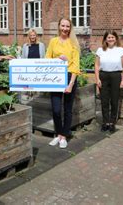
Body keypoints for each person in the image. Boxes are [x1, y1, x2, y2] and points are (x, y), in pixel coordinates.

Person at [45, 17, 80, 149]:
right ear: (59, 26)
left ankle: (64, 136)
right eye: (63, 26)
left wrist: (70, 84)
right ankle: (58, 133)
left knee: (67, 109)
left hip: (69, 77)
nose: (65, 29)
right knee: (56, 109)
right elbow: (47, 58)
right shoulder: (53, 41)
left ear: (70, 28)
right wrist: (57, 59)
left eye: (67, 26)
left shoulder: (74, 43)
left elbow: (76, 66)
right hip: (55, 76)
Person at [94, 30, 123, 133]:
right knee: (104, 101)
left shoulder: (121, 50)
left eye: (113, 37)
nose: (111, 39)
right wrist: (97, 78)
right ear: (105, 39)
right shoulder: (100, 50)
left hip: (116, 76)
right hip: (103, 75)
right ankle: (105, 122)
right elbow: (96, 65)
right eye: (109, 37)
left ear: (116, 38)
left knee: (114, 100)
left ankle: (112, 123)